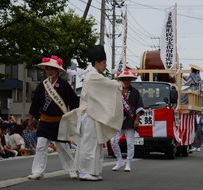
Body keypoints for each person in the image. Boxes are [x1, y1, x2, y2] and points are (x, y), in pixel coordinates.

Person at [59, 45, 123, 181]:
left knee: (94, 144)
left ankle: (92, 171)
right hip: (90, 115)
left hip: (92, 115)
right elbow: (111, 85)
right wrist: (119, 84)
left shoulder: (93, 75)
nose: (106, 65)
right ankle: (85, 171)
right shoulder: (93, 76)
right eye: (104, 63)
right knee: (89, 144)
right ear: (98, 62)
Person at [27, 55, 79, 180]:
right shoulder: (42, 85)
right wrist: (30, 119)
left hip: (59, 122)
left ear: (57, 71)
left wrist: (74, 117)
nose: (49, 71)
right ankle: (38, 171)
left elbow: (74, 102)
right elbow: (35, 104)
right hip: (44, 121)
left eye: (52, 69)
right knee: (40, 145)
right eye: (47, 69)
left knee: (63, 147)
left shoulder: (64, 85)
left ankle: (71, 169)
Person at [111, 68, 144, 172]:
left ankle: (128, 163)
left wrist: (137, 120)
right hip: (118, 120)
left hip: (130, 120)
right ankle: (120, 160)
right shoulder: (117, 91)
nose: (126, 81)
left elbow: (139, 107)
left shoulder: (135, 92)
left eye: (128, 79)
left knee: (130, 143)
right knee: (113, 141)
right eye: (124, 79)